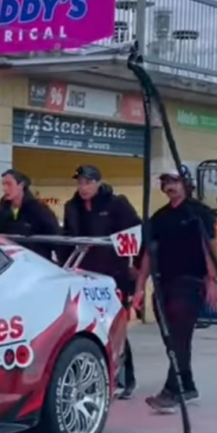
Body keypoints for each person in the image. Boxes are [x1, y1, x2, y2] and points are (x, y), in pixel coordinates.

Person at [133, 168, 217, 413]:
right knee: (172, 339)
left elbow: (209, 247)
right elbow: (149, 254)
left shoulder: (199, 213)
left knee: (179, 338)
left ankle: (172, 391)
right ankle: (188, 385)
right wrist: (140, 288)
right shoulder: (159, 217)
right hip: (163, 282)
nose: (169, 186)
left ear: (186, 183)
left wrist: (212, 281)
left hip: (190, 281)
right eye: (166, 182)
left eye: (174, 181)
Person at [62, 164, 142, 397]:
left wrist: (136, 265)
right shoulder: (71, 207)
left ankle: (124, 379)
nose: (83, 187)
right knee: (90, 328)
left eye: (88, 182)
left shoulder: (117, 204)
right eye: (80, 182)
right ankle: (97, 376)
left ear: (98, 183)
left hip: (112, 276)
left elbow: (136, 234)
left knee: (116, 328)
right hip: (83, 277)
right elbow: (66, 239)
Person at [0, 168, 62, 263]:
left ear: (21, 185)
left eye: (9, 184)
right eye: (4, 184)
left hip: (36, 263)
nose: (5, 189)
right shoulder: (0, 213)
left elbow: (55, 235)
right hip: (9, 263)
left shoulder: (39, 210)